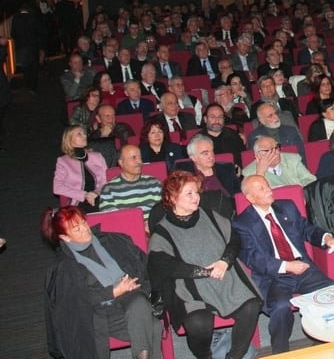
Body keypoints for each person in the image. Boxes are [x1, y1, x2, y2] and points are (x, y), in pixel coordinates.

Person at [148, 171, 261, 359]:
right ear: (172, 198)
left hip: (223, 276)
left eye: (196, 192)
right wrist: (203, 272)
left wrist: (225, 262)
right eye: (189, 193)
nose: (196, 198)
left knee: (252, 305)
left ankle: (234, 356)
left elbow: (234, 239)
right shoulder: (162, 230)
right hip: (189, 287)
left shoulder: (209, 215)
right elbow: (164, 265)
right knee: (198, 322)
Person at [232, 174, 334, 353]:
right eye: (262, 188)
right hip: (274, 276)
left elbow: (306, 229)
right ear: (250, 198)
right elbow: (252, 258)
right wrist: (286, 266)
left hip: (304, 268)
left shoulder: (286, 207)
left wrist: (326, 237)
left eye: (267, 185)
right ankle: (280, 353)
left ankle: (328, 343)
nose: (268, 190)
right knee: (280, 307)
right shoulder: (242, 223)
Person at [43, 206, 162, 359]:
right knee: (153, 326)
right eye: (77, 229)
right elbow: (74, 302)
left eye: (84, 223)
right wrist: (112, 292)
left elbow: (141, 264)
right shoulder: (64, 267)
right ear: (65, 237)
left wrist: (134, 284)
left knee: (139, 301)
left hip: (131, 296)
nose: (85, 230)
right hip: (99, 313)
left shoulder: (110, 241)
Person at [99, 145, 163, 226]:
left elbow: (163, 211)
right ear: (121, 162)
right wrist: (138, 227)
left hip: (154, 230)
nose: (139, 162)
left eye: (140, 157)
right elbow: (110, 219)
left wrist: (151, 224)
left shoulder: (154, 183)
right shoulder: (109, 189)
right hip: (126, 233)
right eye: (134, 158)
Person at [54, 126, 108, 213]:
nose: (85, 136)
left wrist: (96, 193)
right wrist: (85, 195)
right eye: (79, 134)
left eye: (84, 133)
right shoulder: (63, 161)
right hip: (78, 202)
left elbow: (105, 180)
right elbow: (57, 187)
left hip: (99, 197)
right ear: (69, 139)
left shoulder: (97, 156)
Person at [241, 135, 316, 189]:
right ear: (258, 155)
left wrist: (299, 191)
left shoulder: (293, 159)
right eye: (269, 150)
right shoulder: (249, 172)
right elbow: (255, 196)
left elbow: (310, 180)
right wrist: (260, 174)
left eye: (276, 148)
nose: (276, 152)